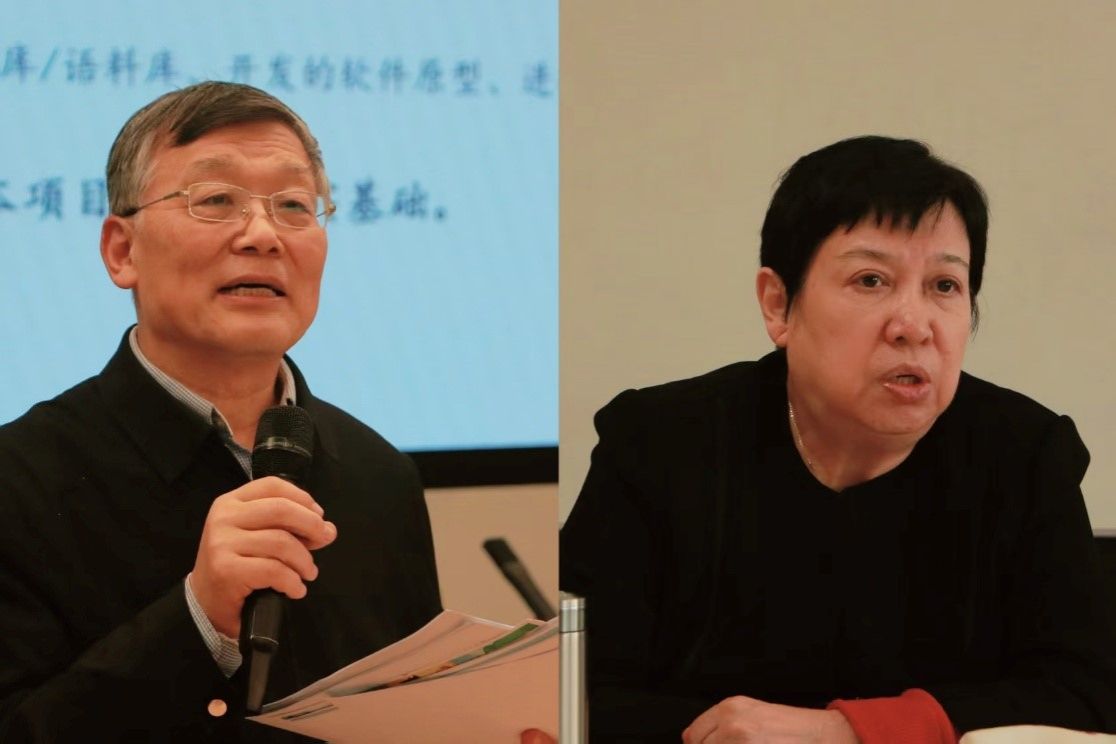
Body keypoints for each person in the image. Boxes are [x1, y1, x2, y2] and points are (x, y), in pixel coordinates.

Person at [560, 136, 1116, 743]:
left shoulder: (1023, 455)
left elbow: (1084, 696)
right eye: (871, 280)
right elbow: (578, 695)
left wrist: (843, 733)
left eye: (945, 286)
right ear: (779, 305)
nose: (914, 326)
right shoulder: (658, 444)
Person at [0, 82, 446, 742]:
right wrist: (198, 620)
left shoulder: (379, 474)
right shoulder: (19, 479)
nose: (264, 235)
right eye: (215, 201)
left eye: (293, 205)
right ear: (122, 251)